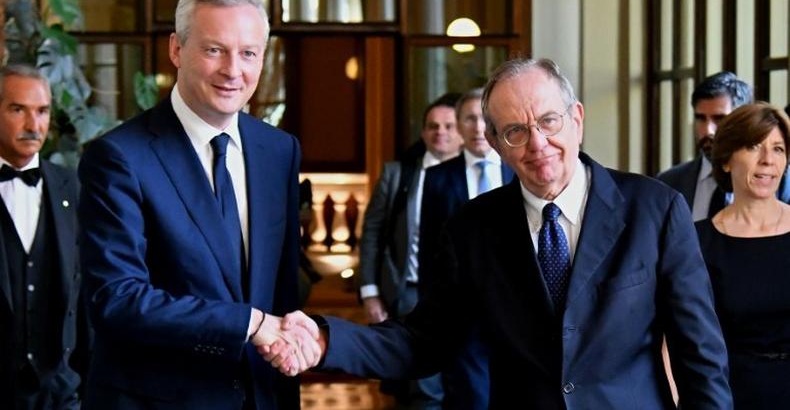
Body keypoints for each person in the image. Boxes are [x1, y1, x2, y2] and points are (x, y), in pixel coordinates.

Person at [272, 58, 733, 409]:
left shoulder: (654, 209)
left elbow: (700, 352)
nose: (537, 144)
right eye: (515, 131)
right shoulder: (472, 230)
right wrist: (328, 338)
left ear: (576, 118)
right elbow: (423, 340)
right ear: (493, 143)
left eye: (548, 121)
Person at [77, 0, 316, 409]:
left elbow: (280, 289)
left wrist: (293, 336)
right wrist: (249, 322)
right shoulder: (118, 157)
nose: (233, 70)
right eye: (214, 50)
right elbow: (117, 299)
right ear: (176, 49)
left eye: (248, 53)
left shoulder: (279, 151)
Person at [358, 93, 462, 408]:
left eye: (448, 125)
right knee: (424, 388)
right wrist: (370, 292)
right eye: (432, 126)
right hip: (411, 294)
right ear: (423, 132)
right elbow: (372, 233)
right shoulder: (398, 174)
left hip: (465, 298)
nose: (440, 132)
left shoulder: (481, 176)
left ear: (462, 133)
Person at [417, 88, 514, 409]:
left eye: (484, 119)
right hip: (463, 312)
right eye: (469, 119)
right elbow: (431, 249)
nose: (477, 127)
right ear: (458, 125)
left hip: (516, 310)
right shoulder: (437, 179)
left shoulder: (518, 172)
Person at [0, 64, 87, 409]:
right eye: (18, 109)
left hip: (62, 393)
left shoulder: (73, 186)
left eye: (42, 111)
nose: (33, 125)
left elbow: (87, 296)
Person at [696, 103, 790, 409]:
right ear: (725, 160)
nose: (767, 161)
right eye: (753, 147)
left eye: (778, 149)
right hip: (729, 394)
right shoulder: (697, 240)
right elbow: (678, 336)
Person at [657, 71, 790, 219]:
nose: (708, 130)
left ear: (744, 122)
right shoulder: (668, 182)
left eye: (719, 119)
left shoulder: (778, 179)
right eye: (701, 118)